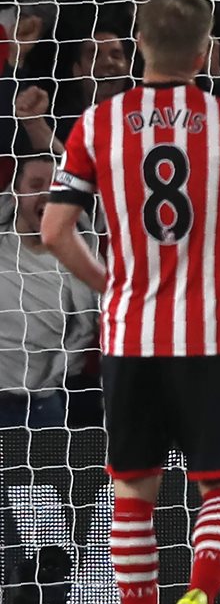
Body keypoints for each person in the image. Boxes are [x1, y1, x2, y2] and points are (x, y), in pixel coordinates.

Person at [39, 0, 220, 604]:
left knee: (133, 494)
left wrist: (109, 278)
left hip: (130, 336)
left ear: (138, 44)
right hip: (209, 335)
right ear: (206, 54)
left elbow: (54, 230)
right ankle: (198, 597)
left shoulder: (98, 122)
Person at [0, 155, 97, 428]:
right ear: (15, 192)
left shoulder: (83, 262)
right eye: (35, 185)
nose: (46, 195)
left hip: (43, 403)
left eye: (55, 187)